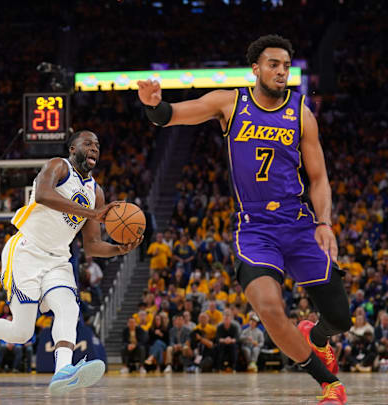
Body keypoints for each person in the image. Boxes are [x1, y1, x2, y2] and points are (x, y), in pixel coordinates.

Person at [138, 34, 350, 403]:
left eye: (285, 65)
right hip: (255, 229)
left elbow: (318, 178)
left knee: (340, 319)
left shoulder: (301, 113)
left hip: (299, 224)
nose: (281, 71)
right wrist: (154, 106)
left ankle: (316, 337)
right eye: (273, 64)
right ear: (256, 69)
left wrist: (325, 222)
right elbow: (173, 116)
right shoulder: (230, 102)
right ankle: (329, 383)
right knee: (268, 307)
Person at [0, 130, 142, 395]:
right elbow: (42, 195)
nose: (94, 149)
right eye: (87, 143)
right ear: (72, 148)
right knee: (21, 333)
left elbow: (92, 246)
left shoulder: (96, 192)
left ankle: (63, 370)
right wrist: (92, 213)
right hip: (27, 251)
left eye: (98, 145)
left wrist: (120, 249)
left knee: (68, 307)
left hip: (58, 259)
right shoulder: (58, 165)